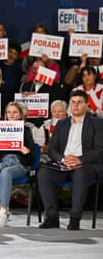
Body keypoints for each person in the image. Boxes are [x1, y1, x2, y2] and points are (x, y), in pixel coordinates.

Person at [38, 90, 103, 230]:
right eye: (73, 102)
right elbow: (51, 149)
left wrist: (79, 160)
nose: (75, 106)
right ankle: (52, 217)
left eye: (79, 102)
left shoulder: (97, 123)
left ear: (86, 105)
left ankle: (75, 218)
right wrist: (62, 159)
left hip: (86, 164)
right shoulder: (61, 124)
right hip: (63, 163)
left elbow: (99, 150)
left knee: (80, 173)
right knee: (43, 173)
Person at [0, 102, 35, 227]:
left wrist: (25, 151)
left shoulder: (26, 130)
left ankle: (4, 211)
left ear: (20, 115)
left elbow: (32, 159)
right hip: (2, 161)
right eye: (9, 112)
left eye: (15, 112)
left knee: (6, 173)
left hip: (19, 163)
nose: (11, 115)